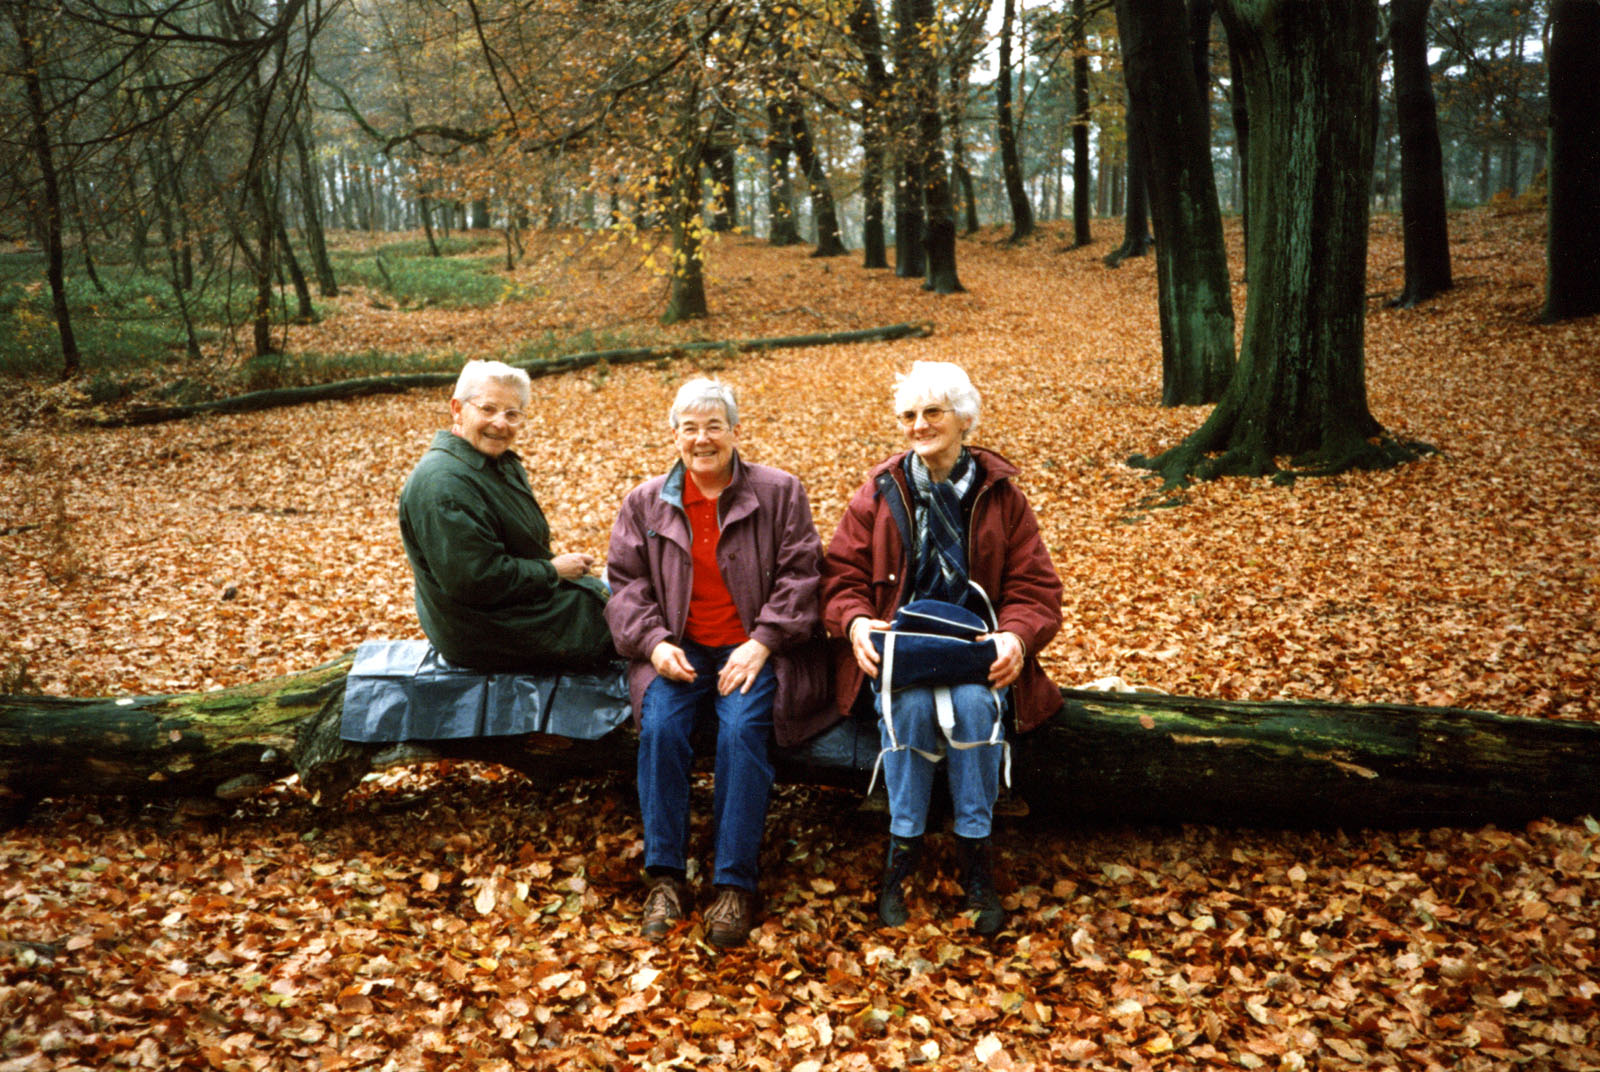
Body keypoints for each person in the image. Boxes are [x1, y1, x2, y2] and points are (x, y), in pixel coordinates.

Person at [821, 361, 1063, 937]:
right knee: (909, 711)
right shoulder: (880, 490)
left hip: (978, 652)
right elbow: (839, 576)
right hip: (900, 653)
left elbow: (1036, 588)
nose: (919, 425)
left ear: (964, 419)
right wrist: (856, 624)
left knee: (975, 709)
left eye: (933, 412)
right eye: (908, 415)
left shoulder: (1002, 495)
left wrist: (1016, 637)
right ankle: (901, 854)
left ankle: (975, 854)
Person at [605, 378, 829, 949]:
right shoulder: (644, 502)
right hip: (678, 648)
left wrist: (764, 641)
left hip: (751, 648)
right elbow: (626, 586)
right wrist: (655, 643)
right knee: (660, 727)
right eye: (690, 428)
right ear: (673, 434)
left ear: (735, 431)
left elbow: (803, 574)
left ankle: (734, 883)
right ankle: (665, 878)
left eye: (713, 426)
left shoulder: (779, 492)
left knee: (742, 731)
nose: (701, 439)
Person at [398, 359, 613, 672]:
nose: (500, 423)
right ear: (457, 409)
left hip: (516, 609)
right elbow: (476, 580)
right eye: (487, 409)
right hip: (488, 631)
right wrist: (552, 571)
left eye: (512, 414)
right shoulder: (444, 484)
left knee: (634, 595)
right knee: (639, 621)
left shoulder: (493, 463)